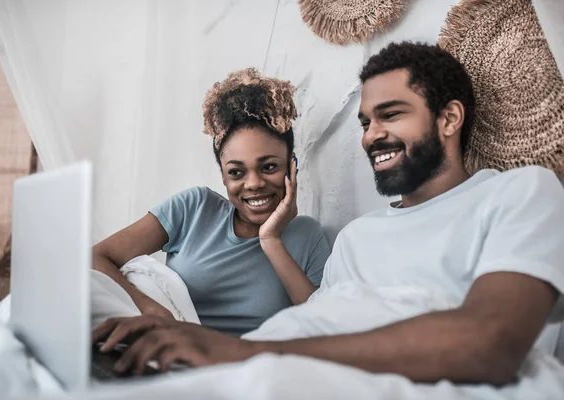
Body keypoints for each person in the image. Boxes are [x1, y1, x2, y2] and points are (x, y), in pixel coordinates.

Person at [92, 42, 564, 385]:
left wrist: (243, 353)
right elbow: (316, 316)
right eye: (365, 122)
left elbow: (491, 342)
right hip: (257, 369)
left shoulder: (522, 193)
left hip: (277, 373)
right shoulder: (359, 236)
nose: (370, 135)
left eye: (391, 114)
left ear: (448, 118)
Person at [92, 68, 331, 337]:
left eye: (268, 167)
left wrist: (271, 240)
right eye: (236, 172)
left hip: (244, 369)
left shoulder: (308, 236)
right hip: (165, 354)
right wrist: (151, 310)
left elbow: (321, 324)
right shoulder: (195, 207)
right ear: (223, 177)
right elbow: (97, 257)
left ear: (292, 167)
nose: (253, 184)